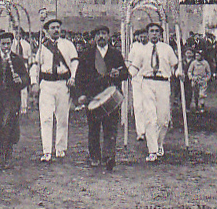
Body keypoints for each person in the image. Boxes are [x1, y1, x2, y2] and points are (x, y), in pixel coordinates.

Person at [75, 25, 128, 171]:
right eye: (98, 34)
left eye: (104, 33)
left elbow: (125, 73)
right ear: (94, 38)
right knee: (93, 128)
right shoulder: (87, 55)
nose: (101, 37)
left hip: (111, 97)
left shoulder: (116, 54)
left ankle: (109, 156)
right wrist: (81, 94)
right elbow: (79, 77)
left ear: (108, 36)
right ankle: (95, 156)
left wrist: (119, 75)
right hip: (93, 96)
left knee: (111, 128)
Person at [128, 22, 180, 162]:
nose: (154, 33)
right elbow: (134, 68)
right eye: (152, 31)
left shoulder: (167, 49)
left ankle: (158, 143)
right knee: (150, 117)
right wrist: (126, 74)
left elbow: (175, 65)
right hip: (147, 83)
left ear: (160, 33)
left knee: (164, 120)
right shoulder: (142, 50)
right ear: (148, 33)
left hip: (163, 83)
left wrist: (178, 72)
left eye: (157, 31)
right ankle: (152, 150)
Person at [30, 17, 79, 162]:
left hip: (63, 83)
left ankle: (60, 148)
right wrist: (34, 82)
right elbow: (35, 66)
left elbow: (74, 61)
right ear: (47, 31)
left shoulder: (68, 45)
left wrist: (73, 77)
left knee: (62, 117)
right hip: (47, 84)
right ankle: (46, 151)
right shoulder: (42, 47)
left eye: (58, 27)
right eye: (53, 28)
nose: (56, 30)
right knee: (46, 117)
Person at [0, 31, 30, 170]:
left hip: (12, 98)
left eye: (8, 44)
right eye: (3, 44)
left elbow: (26, 78)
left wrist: (20, 80)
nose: (6, 46)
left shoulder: (17, 59)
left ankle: (7, 155)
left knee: (8, 125)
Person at [128, 28, 148, 141]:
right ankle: (140, 131)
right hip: (137, 79)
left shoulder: (152, 47)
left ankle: (149, 129)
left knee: (148, 105)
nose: (142, 38)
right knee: (138, 105)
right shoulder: (135, 46)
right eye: (140, 36)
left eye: (144, 35)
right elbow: (130, 62)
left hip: (149, 79)